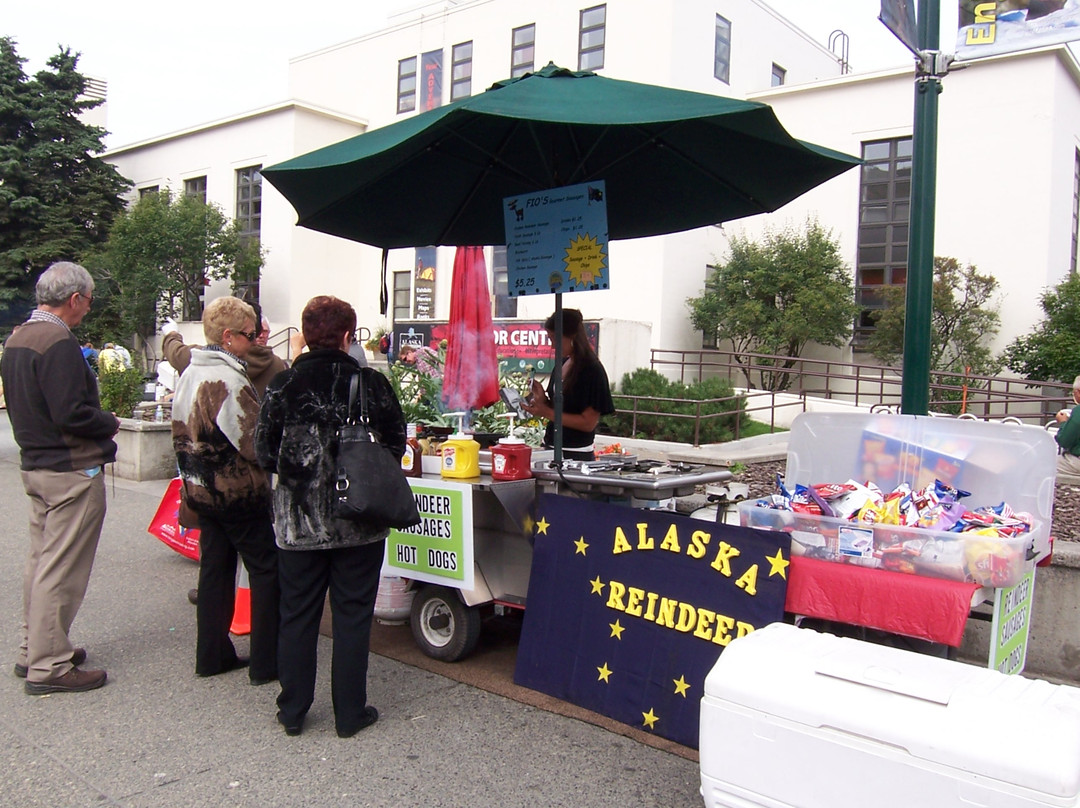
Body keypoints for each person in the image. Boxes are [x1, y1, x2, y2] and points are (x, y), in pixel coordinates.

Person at [255, 295, 406, 738]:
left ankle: (293, 711)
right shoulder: (370, 383)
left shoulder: (282, 385)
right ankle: (349, 713)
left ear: (305, 334)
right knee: (353, 615)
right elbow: (395, 445)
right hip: (358, 521)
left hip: (298, 525)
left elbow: (263, 452)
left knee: (297, 614)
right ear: (346, 336)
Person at [1, 262, 119, 694]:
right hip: (70, 468)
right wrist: (109, 421)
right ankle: (49, 664)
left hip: (37, 464)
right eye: (88, 301)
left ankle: (35, 648)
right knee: (61, 569)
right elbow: (72, 412)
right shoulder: (58, 342)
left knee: (41, 563)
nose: (88, 309)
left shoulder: (18, 338)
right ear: (74, 300)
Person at [171, 296, 279, 685]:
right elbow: (256, 445)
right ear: (230, 337)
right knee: (268, 571)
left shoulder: (190, 373)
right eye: (249, 336)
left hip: (201, 490)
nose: (255, 343)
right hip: (237, 495)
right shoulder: (228, 380)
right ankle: (267, 663)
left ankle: (212, 655)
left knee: (215, 572)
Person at [522, 308, 614, 461]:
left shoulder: (592, 370)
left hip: (576, 454)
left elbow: (588, 423)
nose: (552, 346)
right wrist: (542, 399)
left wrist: (546, 412)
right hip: (551, 447)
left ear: (571, 337)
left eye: (554, 339)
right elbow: (561, 408)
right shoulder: (562, 363)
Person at [162, 301, 286, 398]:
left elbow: (176, 353)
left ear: (228, 335)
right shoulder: (279, 365)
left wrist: (172, 333)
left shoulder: (206, 359)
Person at [1055, 376, 1080, 475]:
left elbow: (1064, 441)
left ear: (1078, 392)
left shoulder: (1078, 412)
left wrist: (1063, 423)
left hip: (1077, 463)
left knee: (1043, 462)